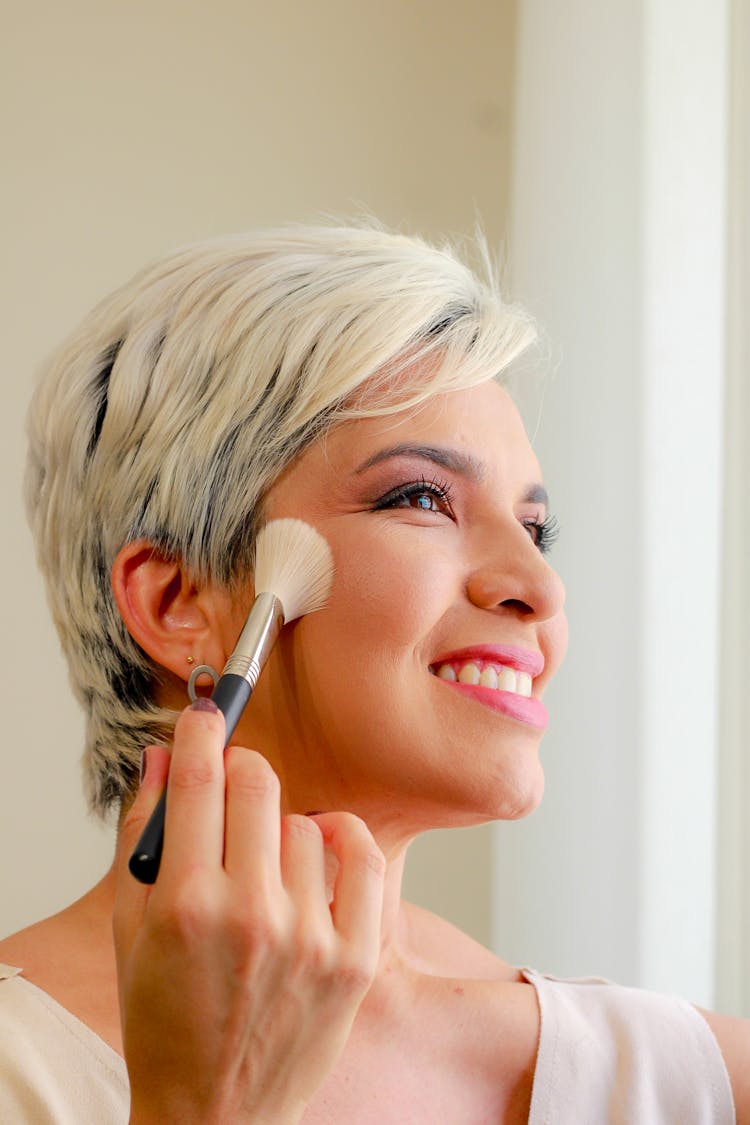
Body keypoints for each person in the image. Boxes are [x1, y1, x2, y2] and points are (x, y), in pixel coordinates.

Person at [0, 224, 746, 1123]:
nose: (538, 585)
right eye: (423, 497)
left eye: (535, 528)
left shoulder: (692, 1084)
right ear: (176, 601)